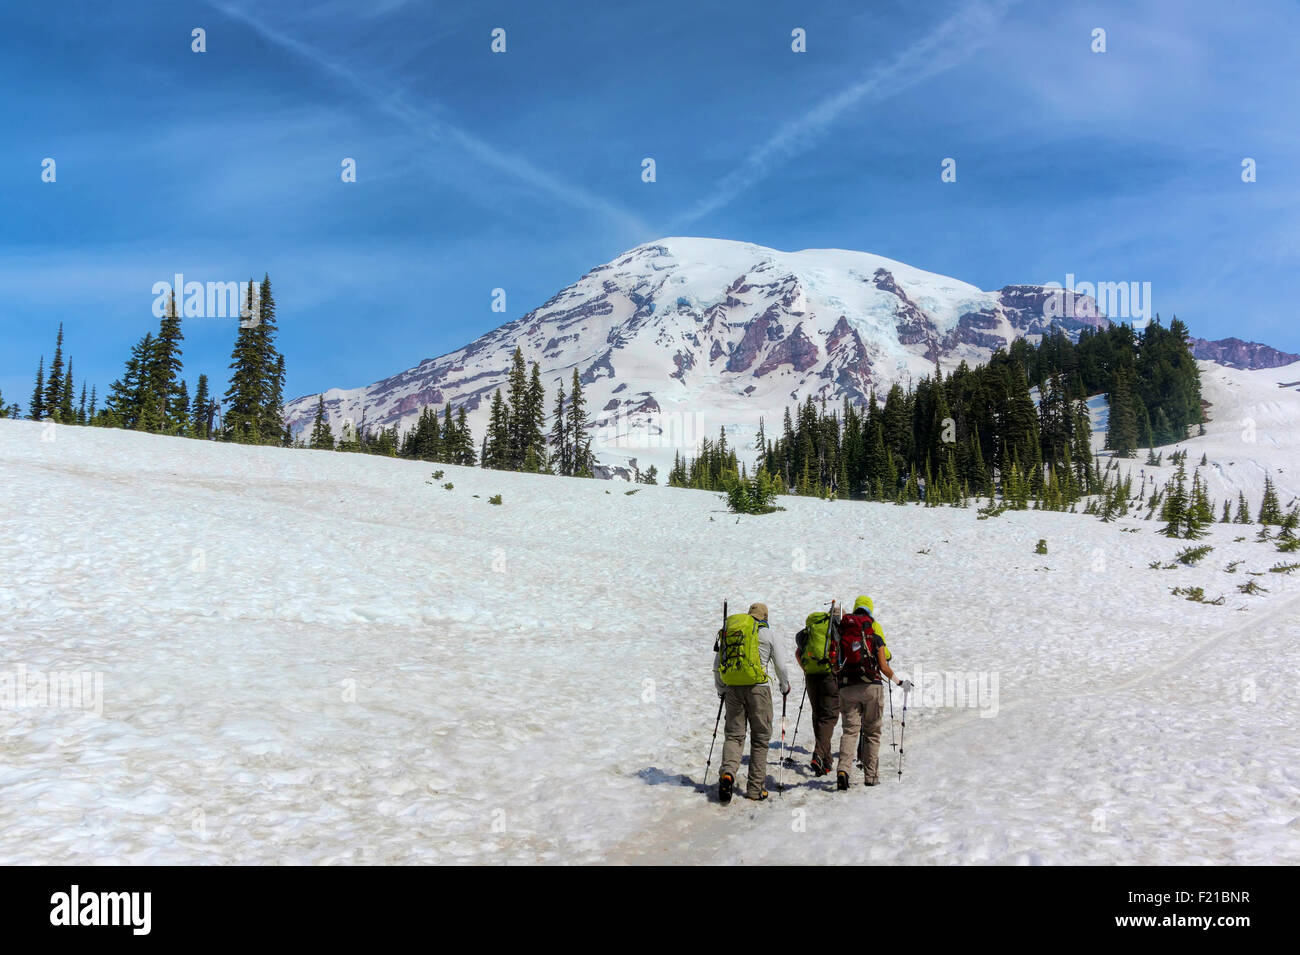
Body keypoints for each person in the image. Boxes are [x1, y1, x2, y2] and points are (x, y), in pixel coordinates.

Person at [714, 602, 792, 804]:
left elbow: (717, 665)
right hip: (759, 689)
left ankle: (728, 773)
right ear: (765, 617)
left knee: (734, 735)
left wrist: (722, 689)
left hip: (733, 689)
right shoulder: (769, 634)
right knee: (760, 738)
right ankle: (755, 789)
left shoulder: (733, 632)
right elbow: (781, 666)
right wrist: (784, 686)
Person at [834, 595, 904, 790]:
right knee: (872, 732)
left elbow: (835, 662)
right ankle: (871, 776)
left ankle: (843, 770)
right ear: (870, 611)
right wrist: (899, 682)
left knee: (850, 731)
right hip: (872, 687)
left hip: (847, 687)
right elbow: (884, 666)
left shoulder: (843, 631)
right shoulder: (874, 632)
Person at [794, 602, 841, 777]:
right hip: (829, 676)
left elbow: (798, 653)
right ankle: (819, 754)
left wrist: (806, 670)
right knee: (829, 717)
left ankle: (826, 761)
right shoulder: (837, 630)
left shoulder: (813, 629)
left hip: (811, 677)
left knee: (818, 716)